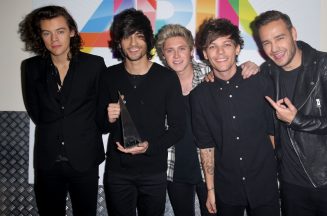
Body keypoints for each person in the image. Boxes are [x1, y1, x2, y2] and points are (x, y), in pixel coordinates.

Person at [251, 10, 327, 216]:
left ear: (294, 34)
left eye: (279, 38)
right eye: (266, 43)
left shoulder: (324, 64)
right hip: (291, 184)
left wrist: (298, 120)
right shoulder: (268, 71)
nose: (274, 49)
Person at [155, 24, 259, 216]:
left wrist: (251, 66)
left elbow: (234, 75)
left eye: (182, 49)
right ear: (163, 54)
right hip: (175, 168)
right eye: (170, 50)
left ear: (191, 50)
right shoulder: (158, 82)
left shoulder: (210, 74)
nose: (176, 56)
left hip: (211, 169)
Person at [18, 5, 106, 216]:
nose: (54, 39)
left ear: (72, 32)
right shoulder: (31, 67)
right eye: (46, 33)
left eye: (60, 31)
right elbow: (36, 112)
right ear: (40, 36)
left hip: (84, 159)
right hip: (48, 160)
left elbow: (101, 112)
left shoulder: (94, 65)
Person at [98, 8, 186, 216]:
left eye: (139, 36)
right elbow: (100, 126)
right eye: (127, 37)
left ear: (149, 40)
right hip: (118, 172)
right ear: (119, 42)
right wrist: (107, 117)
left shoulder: (167, 78)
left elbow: (178, 128)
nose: (133, 43)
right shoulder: (109, 76)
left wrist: (149, 146)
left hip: (153, 172)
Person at [191, 18, 280, 216]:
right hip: (226, 189)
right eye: (212, 46)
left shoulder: (261, 82)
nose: (220, 52)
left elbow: (273, 132)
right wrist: (211, 191)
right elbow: (206, 147)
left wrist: (276, 176)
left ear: (238, 48)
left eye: (227, 45)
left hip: (265, 185)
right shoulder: (199, 96)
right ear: (205, 53)